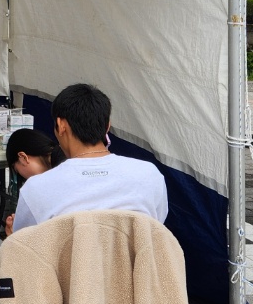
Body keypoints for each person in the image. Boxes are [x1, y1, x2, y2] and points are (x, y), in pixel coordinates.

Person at [10, 84, 168, 236]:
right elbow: (156, 230)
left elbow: (27, 246)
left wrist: (12, 237)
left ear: (61, 125)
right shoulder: (150, 176)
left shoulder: (36, 189)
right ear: (107, 127)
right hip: (136, 264)